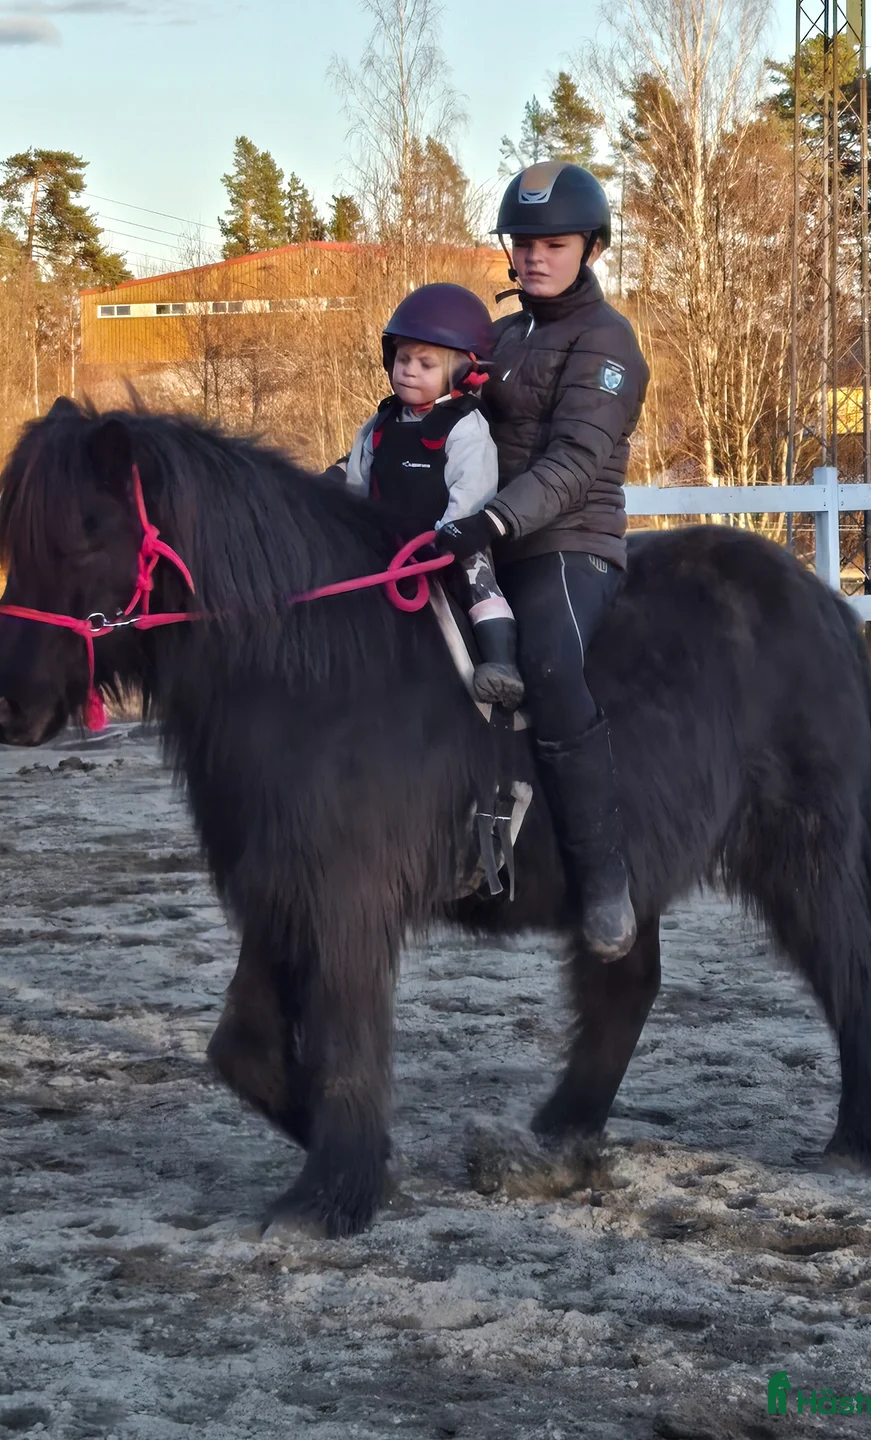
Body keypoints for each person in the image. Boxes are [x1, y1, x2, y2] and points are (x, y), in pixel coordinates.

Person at [435, 162, 650, 961]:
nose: (532, 258)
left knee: (553, 665)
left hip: (568, 545)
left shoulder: (608, 343)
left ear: (589, 247)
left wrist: (490, 520)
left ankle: (604, 880)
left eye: (552, 244)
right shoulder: (505, 334)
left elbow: (575, 463)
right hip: (486, 535)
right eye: (521, 244)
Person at [345, 282, 525, 710]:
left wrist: (450, 533)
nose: (408, 370)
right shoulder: (382, 423)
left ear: (463, 372)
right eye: (403, 359)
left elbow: (473, 486)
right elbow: (358, 477)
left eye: (425, 364)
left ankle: (500, 665)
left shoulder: (464, 425)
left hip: (447, 540)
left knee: (478, 579)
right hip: (387, 544)